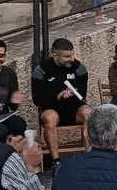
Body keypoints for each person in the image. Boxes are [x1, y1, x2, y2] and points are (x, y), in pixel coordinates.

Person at [31, 37, 91, 166]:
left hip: (74, 109)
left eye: (72, 55)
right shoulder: (41, 70)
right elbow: (37, 100)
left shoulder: (79, 68)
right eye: (67, 56)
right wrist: (58, 96)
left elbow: (83, 94)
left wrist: (73, 93)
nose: (72, 59)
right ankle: (56, 161)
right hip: (52, 109)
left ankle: (89, 157)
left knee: (87, 112)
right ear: (55, 55)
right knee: (50, 117)